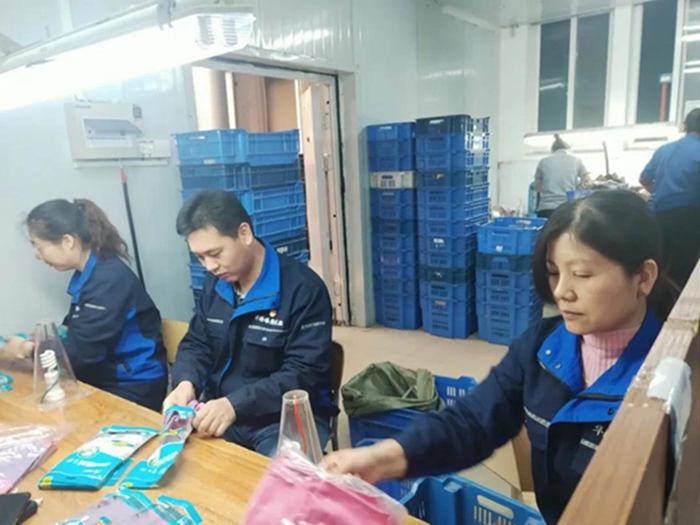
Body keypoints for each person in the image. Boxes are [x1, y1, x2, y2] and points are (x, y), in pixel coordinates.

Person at [323, 191, 676, 525]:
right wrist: (383, 457)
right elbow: (475, 420)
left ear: (643, 278)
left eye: (582, 275)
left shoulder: (669, 379)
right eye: (554, 273)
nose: (561, 291)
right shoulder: (542, 346)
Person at [164, 190, 336, 457]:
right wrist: (186, 382)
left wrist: (235, 405)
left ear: (244, 233)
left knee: (281, 479)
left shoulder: (303, 290)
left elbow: (304, 374)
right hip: (220, 411)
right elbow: (198, 343)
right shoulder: (216, 283)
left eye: (215, 253)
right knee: (181, 466)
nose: (209, 266)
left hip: (281, 419)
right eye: (199, 257)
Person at [4, 199, 167, 411]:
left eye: (38, 246)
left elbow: (82, 353)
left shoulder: (109, 280)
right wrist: (40, 338)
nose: (37, 255)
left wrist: (27, 349)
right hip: (104, 375)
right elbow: (77, 327)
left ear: (67, 241)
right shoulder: (89, 274)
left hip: (134, 383)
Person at [640, 108, 700, 289]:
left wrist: (662, 190)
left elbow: (644, 180)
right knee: (684, 267)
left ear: (685, 126)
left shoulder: (664, 150)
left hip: (658, 215)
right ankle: (679, 302)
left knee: (658, 263)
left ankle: (656, 300)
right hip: (689, 218)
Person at [534, 134, 590, 219]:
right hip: (568, 207)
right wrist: (578, 186)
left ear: (553, 150)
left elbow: (537, 187)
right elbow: (587, 181)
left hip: (546, 208)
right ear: (567, 149)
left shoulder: (543, 161)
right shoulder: (576, 160)